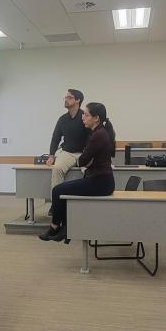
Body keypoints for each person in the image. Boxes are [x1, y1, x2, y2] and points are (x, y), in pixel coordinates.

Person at [39, 102, 116, 243]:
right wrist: (85, 159)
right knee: (62, 191)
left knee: (57, 190)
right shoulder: (99, 132)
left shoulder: (98, 135)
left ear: (96, 118)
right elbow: (85, 160)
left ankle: (55, 227)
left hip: (100, 182)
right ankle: (64, 228)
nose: (83, 117)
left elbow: (82, 161)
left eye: (86, 115)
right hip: (100, 180)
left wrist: (85, 160)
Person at [47, 89, 90, 195]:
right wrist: (51, 155)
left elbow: (92, 137)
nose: (66, 100)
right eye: (65, 97)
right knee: (57, 169)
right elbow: (55, 138)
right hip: (68, 153)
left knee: (91, 172)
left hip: (84, 153)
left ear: (78, 100)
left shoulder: (85, 117)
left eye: (69, 97)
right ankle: (56, 202)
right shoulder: (62, 119)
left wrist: (89, 155)